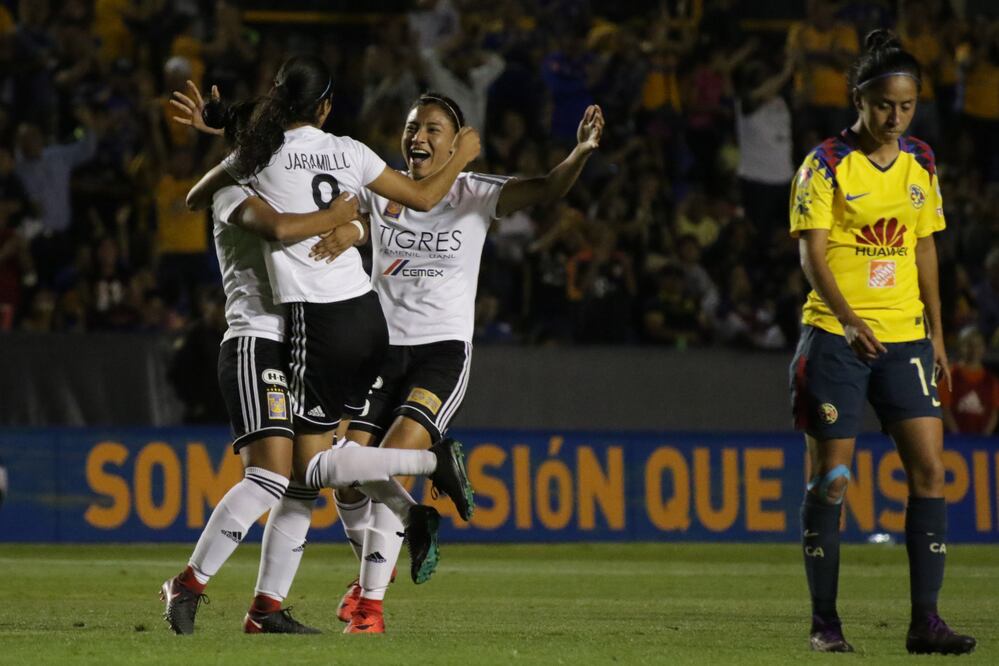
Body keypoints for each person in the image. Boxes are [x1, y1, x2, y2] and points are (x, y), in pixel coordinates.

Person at [162, 56, 479, 635]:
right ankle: (256, 603)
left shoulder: (247, 175)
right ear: (326, 108)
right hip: (299, 333)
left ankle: (246, 600)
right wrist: (345, 215)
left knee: (302, 474)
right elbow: (399, 201)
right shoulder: (338, 155)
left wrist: (233, 133)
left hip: (297, 331)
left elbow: (207, 199)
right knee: (292, 481)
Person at [308, 92, 602, 633]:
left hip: (440, 352)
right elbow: (357, 218)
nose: (417, 136)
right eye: (412, 126)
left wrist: (580, 152)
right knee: (347, 477)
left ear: (458, 140)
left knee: (391, 459)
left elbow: (545, 188)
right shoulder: (386, 188)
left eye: (432, 129)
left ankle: (369, 609)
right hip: (379, 351)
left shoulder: (475, 192)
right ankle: (381, 560)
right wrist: (350, 229)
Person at [788, 29, 976, 655]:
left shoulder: (921, 160)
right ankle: (825, 623)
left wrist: (938, 333)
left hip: (907, 342)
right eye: (884, 106)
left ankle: (926, 622)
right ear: (859, 100)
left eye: (907, 106)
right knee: (833, 480)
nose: (895, 118)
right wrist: (848, 319)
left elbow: (924, 247)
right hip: (838, 339)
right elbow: (813, 255)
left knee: (930, 471)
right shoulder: (825, 164)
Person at [939, 327, 999, 435]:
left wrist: (984, 437)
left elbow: (994, 412)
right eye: (968, 344)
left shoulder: (991, 381)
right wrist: (957, 436)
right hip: (952, 442)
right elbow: (945, 409)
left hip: (982, 445)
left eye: (978, 345)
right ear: (960, 346)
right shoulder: (949, 376)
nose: (974, 349)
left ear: (984, 348)